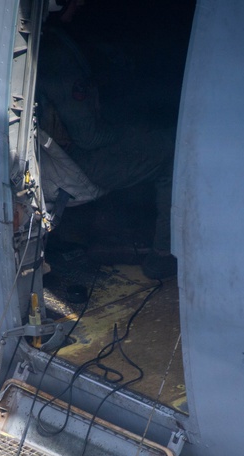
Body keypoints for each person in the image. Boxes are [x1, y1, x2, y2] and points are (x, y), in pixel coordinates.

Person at [38, 2, 177, 279]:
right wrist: (129, 130)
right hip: (72, 163)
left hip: (65, 153)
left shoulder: (59, 38)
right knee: (171, 152)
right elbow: (90, 137)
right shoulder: (57, 53)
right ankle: (162, 257)